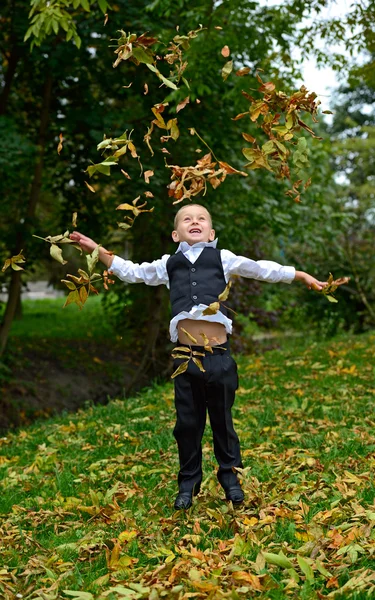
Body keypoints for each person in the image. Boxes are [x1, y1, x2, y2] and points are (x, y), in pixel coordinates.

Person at [70, 204, 326, 510]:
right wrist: (96, 249)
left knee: (222, 421)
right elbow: (131, 272)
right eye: (187, 219)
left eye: (201, 219)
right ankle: (188, 483)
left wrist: (300, 276)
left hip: (219, 357)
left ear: (211, 232)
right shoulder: (169, 264)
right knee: (187, 425)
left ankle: (230, 478)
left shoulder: (224, 258)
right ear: (176, 233)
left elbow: (262, 269)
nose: (195, 221)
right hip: (185, 359)